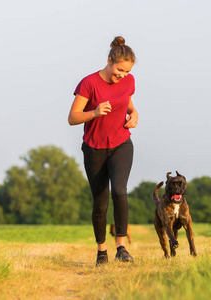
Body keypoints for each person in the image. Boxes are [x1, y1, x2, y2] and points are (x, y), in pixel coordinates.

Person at [68, 36, 138, 266]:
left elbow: (126, 103)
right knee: (100, 203)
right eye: (119, 70)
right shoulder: (89, 83)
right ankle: (101, 251)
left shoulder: (128, 82)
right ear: (109, 61)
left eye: (126, 72)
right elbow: (72, 118)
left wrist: (134, 114)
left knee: (119, 191)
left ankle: (121, 247)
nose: (122, 76)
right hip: (94, 148)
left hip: (120, 143)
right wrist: (94, 113)